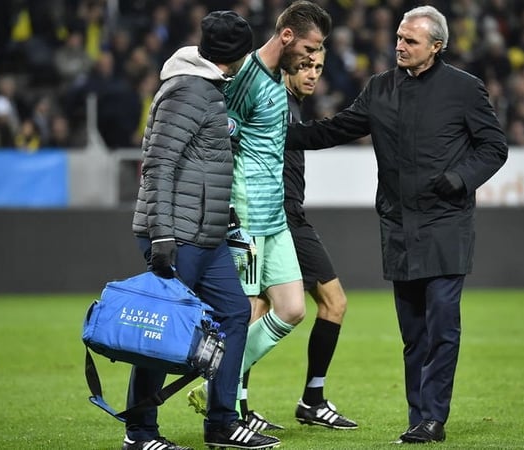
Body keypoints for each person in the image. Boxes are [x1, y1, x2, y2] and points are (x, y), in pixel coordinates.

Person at [285, 5, 508, 444]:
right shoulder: (380, 88)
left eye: (410, 41)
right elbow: (335, 129)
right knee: (413, 332)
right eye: (400, 38)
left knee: (442, 325)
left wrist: (458, 179)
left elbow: (493, 147)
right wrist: (279, 133)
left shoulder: (464, 89)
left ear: (437, 46)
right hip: (399, 225)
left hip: (446, 223)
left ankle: (433, 418)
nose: (400, 46)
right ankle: (417, 416)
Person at [127, 11, 279, 450]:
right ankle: (139, 433)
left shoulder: (208, 89)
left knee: (233, 314)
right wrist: (160, 236)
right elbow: (157, 165)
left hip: (204, 233)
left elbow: (198, 166)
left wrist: (222, 213)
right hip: (177, 234)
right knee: (160, 329)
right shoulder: (188, 91)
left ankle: (221, 424)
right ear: (240, 54)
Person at [187, 0, 332, 432]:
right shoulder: (247, 75)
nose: (312, 57)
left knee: (291, 308)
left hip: (275, 216)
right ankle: (226, 405)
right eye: (310, 46)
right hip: (246, 216)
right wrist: (224, 205)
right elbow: (219, 139)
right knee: (247, 309)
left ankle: (213, 378)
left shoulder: (277, 81)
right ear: (287, 37)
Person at [281, 49, 358, 429]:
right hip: (284, 217)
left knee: (259, 311)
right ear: (285, 66)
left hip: (286, 214)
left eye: (318, 68)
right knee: (333, 302)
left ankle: (235, 404)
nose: (313, 75)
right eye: (304, 67)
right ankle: (312, 399)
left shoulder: (291, 105)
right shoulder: (276, 102)